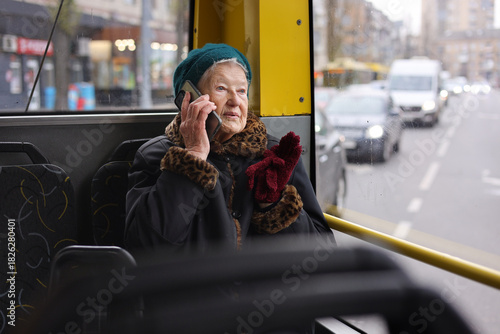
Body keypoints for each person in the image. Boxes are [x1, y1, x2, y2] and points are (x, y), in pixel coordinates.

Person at [124, 43, 334, 253]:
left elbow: (322, 251)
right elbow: (145, 248)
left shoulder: (275, 155)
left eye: (242, 91)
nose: (235, 101)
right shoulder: (156, 155)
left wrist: (275, 205)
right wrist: (192, 159)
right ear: (189, 98)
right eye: (221, 88)